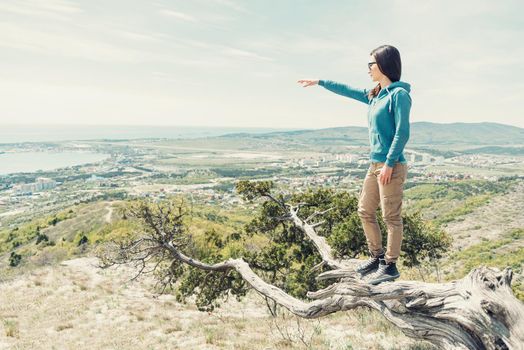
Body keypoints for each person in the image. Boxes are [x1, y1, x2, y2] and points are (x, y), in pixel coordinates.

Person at [297, 44, 412, 285]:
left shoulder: (399, 95)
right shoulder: (375, 95)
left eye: (371, 64)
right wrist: (320, 81)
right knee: (364, 210)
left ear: (383, 65)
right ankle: (377, 257)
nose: (368, 69)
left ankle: (390, 266)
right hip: (375, 164)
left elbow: (402, 132)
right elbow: (347, 90)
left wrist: (390, 164)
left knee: (391, 217)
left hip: (391, 165)